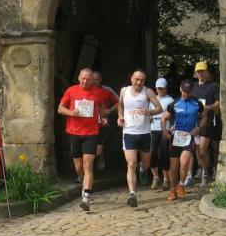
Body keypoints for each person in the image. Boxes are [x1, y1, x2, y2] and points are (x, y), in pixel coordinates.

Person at [57, 68, 109, 212]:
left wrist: (102, 117)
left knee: (88, 165)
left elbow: (102, 108)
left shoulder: (98, 93)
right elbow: (60, 108)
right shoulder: (71, 91)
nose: (85, 81)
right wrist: (71, 113)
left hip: (91, 133)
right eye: (83, 79)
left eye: (88, 79)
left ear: (93, 80)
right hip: (74, 133)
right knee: (79, 167)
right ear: (79, 78)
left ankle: (86, 196)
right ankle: (83, 181)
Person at [117, 69, 163, 208]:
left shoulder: (148, 92)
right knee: (131, 163)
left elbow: (159, 108)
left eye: (142, 80)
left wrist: (148, 111)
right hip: (129, 132)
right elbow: (120, 105)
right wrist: (120, 116)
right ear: (131, 78)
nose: (139, 82)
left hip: (144, 133)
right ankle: (132, 193)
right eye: (136, 79)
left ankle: (143, 169)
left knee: (146, 163)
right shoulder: (124, 91)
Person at [162, 79, 206, 201]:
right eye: (184, 91)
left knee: (185, 161)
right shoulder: (174, 103)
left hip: (189, 137)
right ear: (180, 89)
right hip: (176, 137)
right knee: (174, 165)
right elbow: (164, 118)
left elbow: (204, 116)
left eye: (188, 92)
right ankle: (172, 189)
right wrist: (165, 132)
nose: (185, 94)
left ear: (192, 91)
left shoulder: (197, 103)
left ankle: (181, 185)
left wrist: (199, 128)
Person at [190, 61, 221, 186]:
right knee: (197, 149)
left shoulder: (213, 86)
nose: (201, 73)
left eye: (203, 71)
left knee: (203, 149)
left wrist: (210, 107)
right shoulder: (193, 87)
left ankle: (206, 171)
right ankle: (203, 171)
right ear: (195, 73)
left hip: (208, 120)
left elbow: (218, 103)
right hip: (195, 120)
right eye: (199, 71)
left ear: (207, 72)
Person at [150, 78, 175, 191]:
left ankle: (166, 178)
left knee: (165, 153)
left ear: (166, 88)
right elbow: (147, 112)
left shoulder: (170, 100)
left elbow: (173, 115)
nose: (160, 90)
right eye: (158, 88)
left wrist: (172, 127)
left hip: (166, 127)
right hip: (153, 127)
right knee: (152, 153)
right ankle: (155, 177)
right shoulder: (152, 100)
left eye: (162, 88)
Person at [92, 70, 119, 171]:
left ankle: (100, 156)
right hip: (88, 124)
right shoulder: (86, 89)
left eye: (96, 79)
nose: (94, 82)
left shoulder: (107, 90)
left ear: (100, 79)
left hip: (103, 123)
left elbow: (119, 102)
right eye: (92, 79)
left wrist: (110, 110)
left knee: (97, 151)